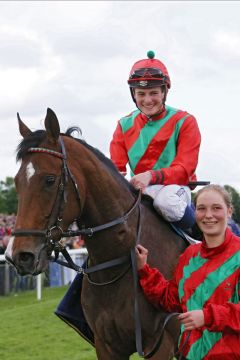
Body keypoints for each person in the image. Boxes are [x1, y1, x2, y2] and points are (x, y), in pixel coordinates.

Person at [135, 184, 240, 360]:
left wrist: (207, 316)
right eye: (201, 208)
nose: (208, 215)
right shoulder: (189, 256)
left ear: (229, 211)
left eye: (216, 208)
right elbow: (171, 300)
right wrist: (144, 270)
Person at [110, 50, 201, 230]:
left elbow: (185, 169)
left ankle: (199, 235)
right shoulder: (123, 125)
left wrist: (151, 176)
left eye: (153, 93)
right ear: (133, 95)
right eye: (141, 94)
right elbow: (116, 170)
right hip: (140, 191)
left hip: (175, 190)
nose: (147, 100)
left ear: (164, 92)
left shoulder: (185, 121)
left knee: (165, 202)